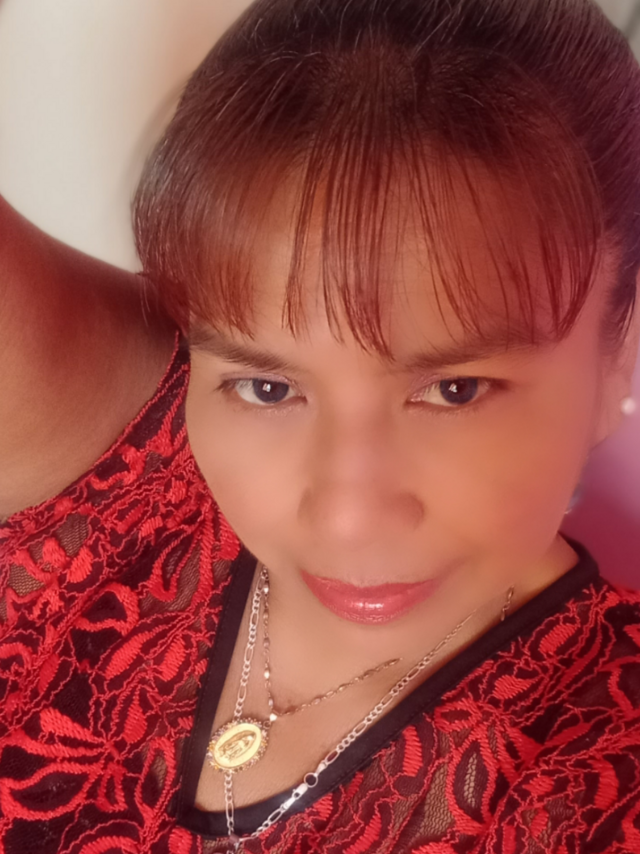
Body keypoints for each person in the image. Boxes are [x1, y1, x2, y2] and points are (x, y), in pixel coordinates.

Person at [2, 0, 640, 851]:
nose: (345, 517)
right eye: (266, 387)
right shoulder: (126, 463)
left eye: (455, 390)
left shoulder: (598, 760)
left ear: (620, 352)